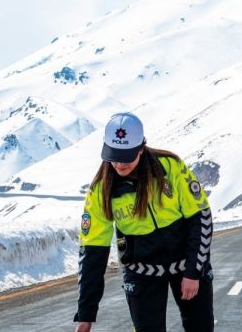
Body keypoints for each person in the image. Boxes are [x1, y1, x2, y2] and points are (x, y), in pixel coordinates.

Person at [73, 112, 214, 332]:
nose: (119, 164)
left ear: (141, 147)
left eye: (127, 156)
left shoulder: (170, 167)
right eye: (113, 156)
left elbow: (201, 218)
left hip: (186, 263)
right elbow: (92, 252)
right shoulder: (100, 190)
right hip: (141, 272)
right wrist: (85, 314)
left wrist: (193, 272)